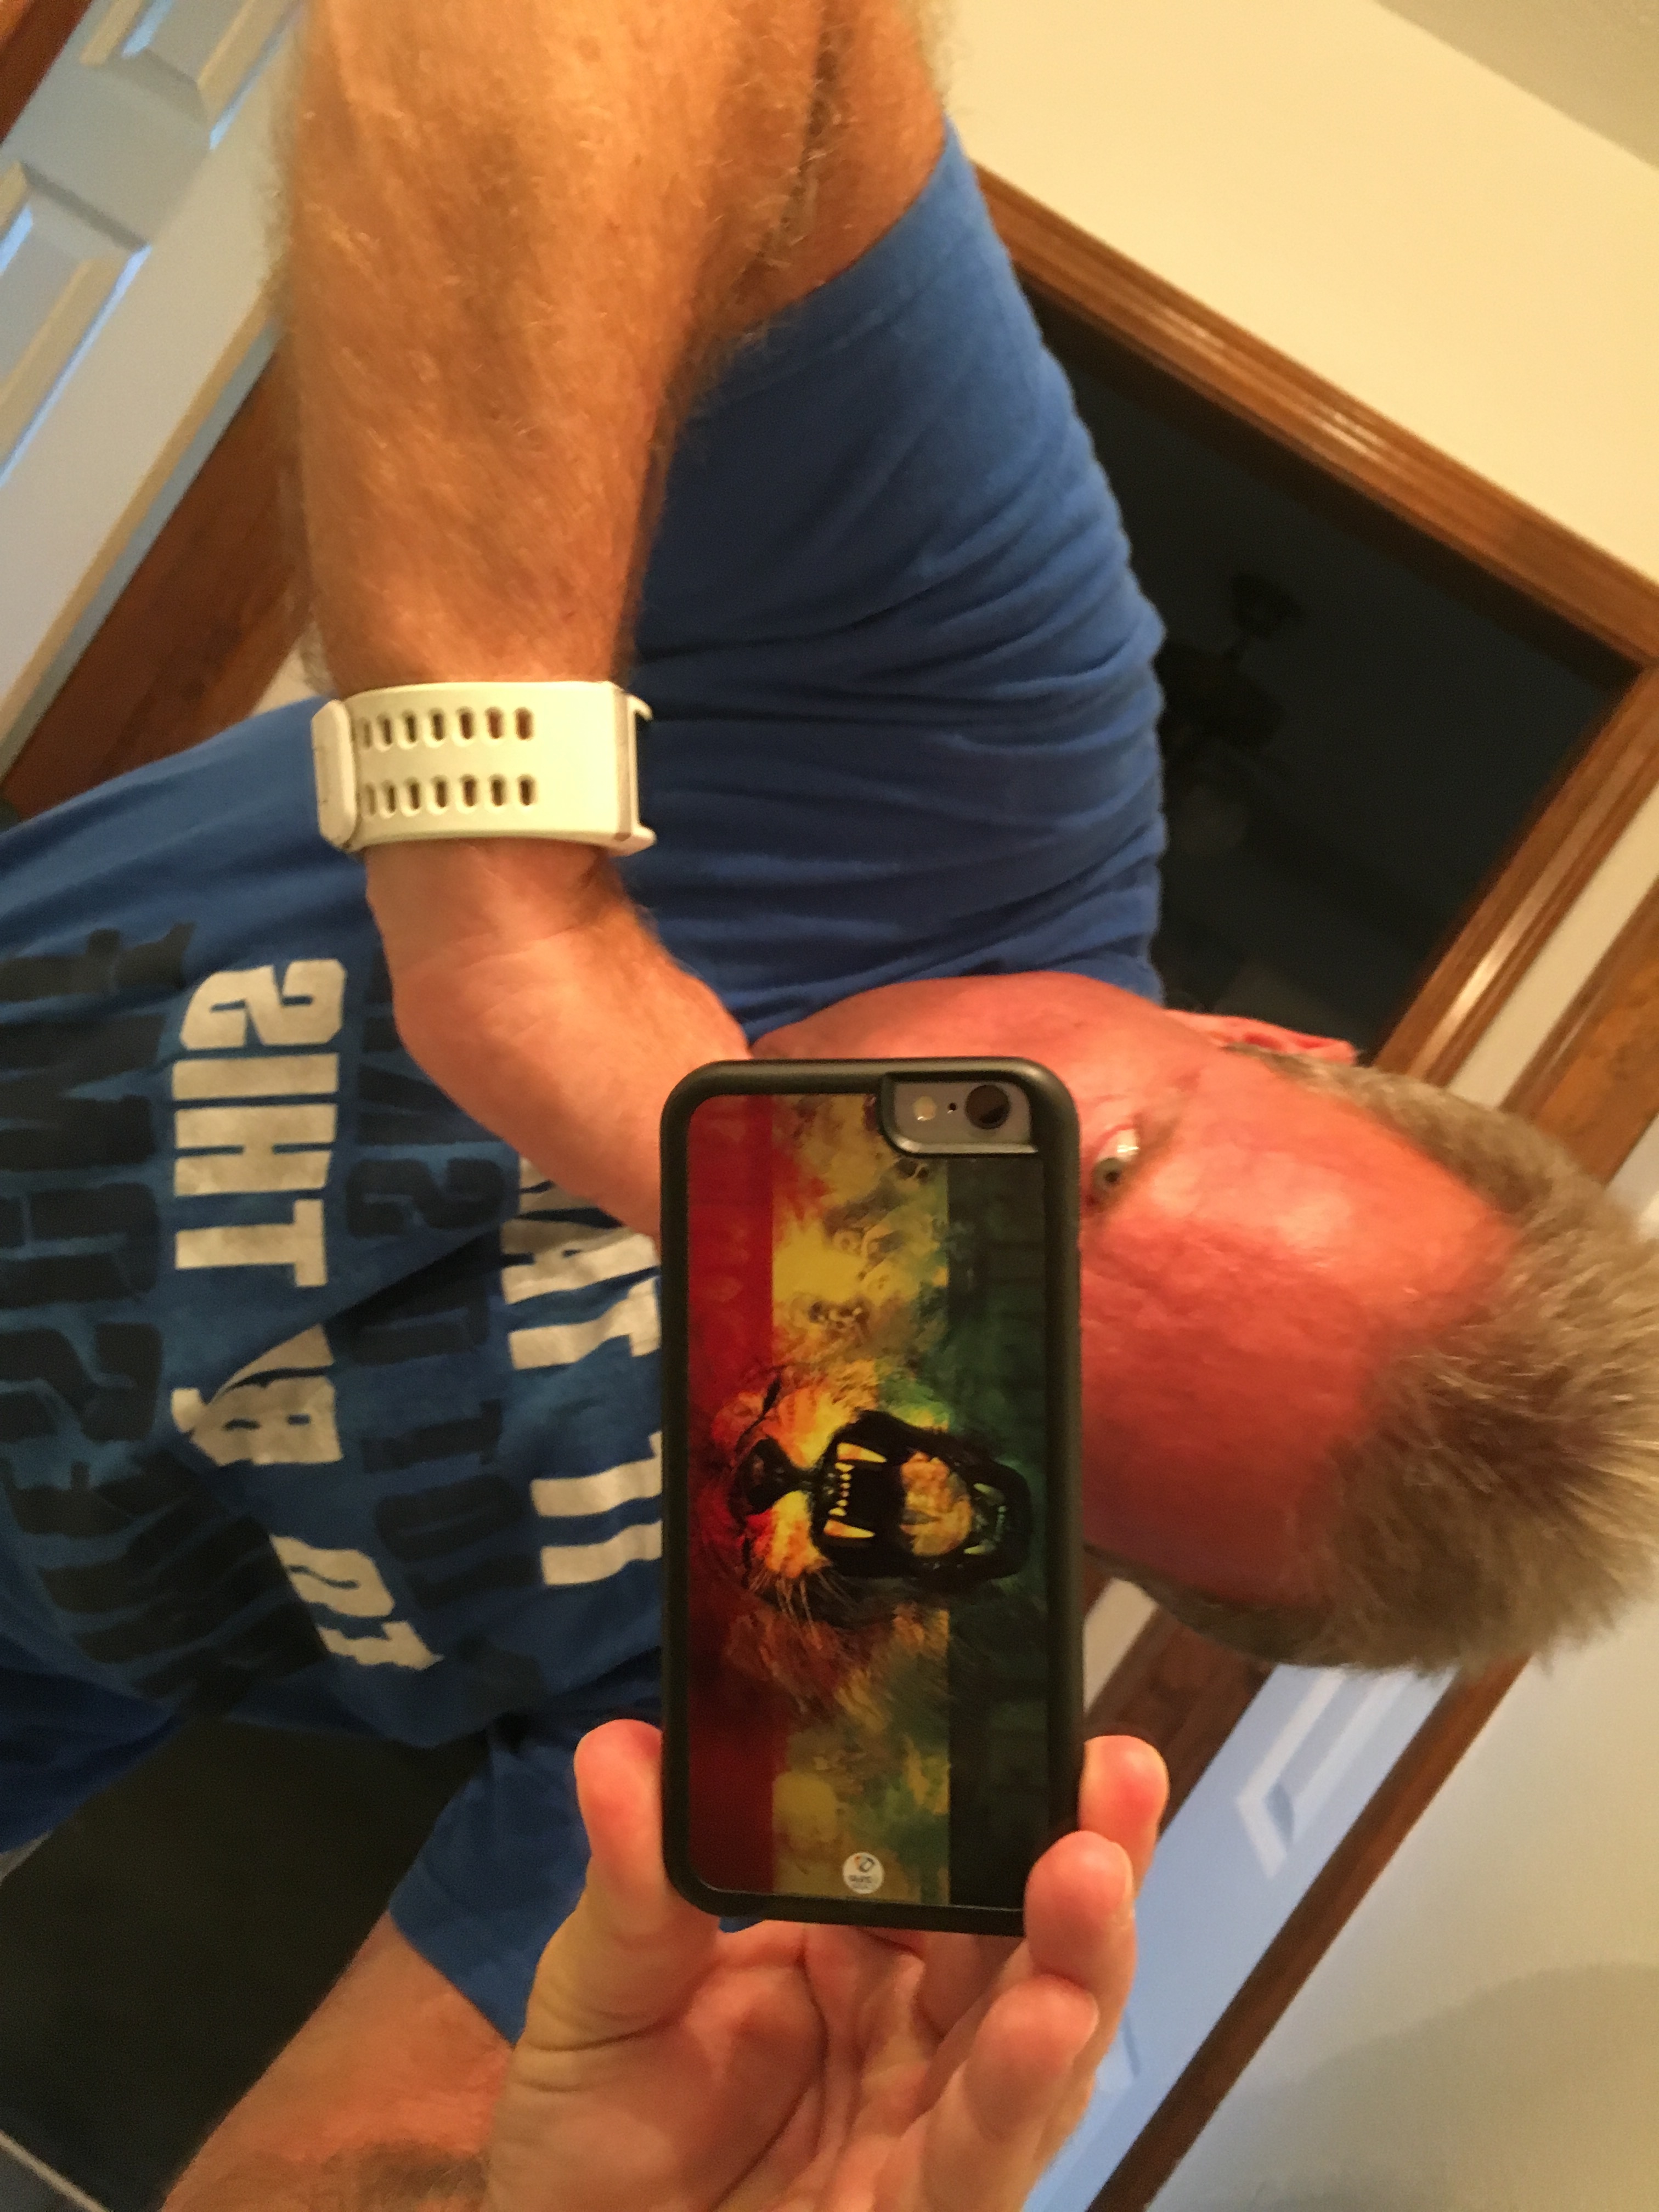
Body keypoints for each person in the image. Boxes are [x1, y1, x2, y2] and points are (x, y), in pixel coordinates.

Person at [3, 2, 1658, 2209]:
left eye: (1009, 1416)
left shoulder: (855, 1663)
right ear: (1279, 1051)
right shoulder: (974, 758)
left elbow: (320, 2162)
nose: (899, 1285)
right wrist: (503, 899)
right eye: (1078, 1181)